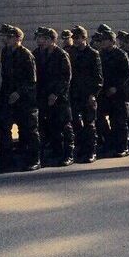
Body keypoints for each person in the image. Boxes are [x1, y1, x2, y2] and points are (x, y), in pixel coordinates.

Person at [0, 25, 41, 171]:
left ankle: (35, 159)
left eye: (10, 37)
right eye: (6, 37)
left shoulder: (26, 55)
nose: (6, 39)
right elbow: (5, 76)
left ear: (18, 38)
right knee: (5, 127)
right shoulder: (6, 52)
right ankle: (8, 159)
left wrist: (19, 92)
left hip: (25, 98)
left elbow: (31, 80)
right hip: (9, 96)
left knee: (29, 130)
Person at [35, 27, 75, 167]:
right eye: (41, 38)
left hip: (59, 96)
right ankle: (57, 151)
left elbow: (66, 77)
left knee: (64, 125)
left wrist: (56, 94)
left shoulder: (61, 54)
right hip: (45, 94)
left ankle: (69, 154)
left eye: (45, 39)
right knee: (51, 125)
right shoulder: (40, 54)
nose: (42, 41)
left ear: (53, 40)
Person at [68, 25, 103, 163]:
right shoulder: (71, 52)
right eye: (74, 38)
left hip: (88, 93)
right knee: (76, 123)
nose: (75, 40)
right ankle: (81, 148)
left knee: (89, 124)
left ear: (84, 38)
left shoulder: (93, 54)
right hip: (75, 93)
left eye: (77, 38)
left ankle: (91, 151)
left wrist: (93, 94)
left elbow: (98, 77)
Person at [97, 28, 129, 157]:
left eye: (105, 40)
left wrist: (116, 87)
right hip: (104, 92)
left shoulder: (121, 54)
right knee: (100, 118)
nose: (103, 43)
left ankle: (123, 146)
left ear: (112, 41)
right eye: (102, 40)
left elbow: (126, 74)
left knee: (119, 121)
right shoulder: (101, 54)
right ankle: (109, 142)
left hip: (119, 93)